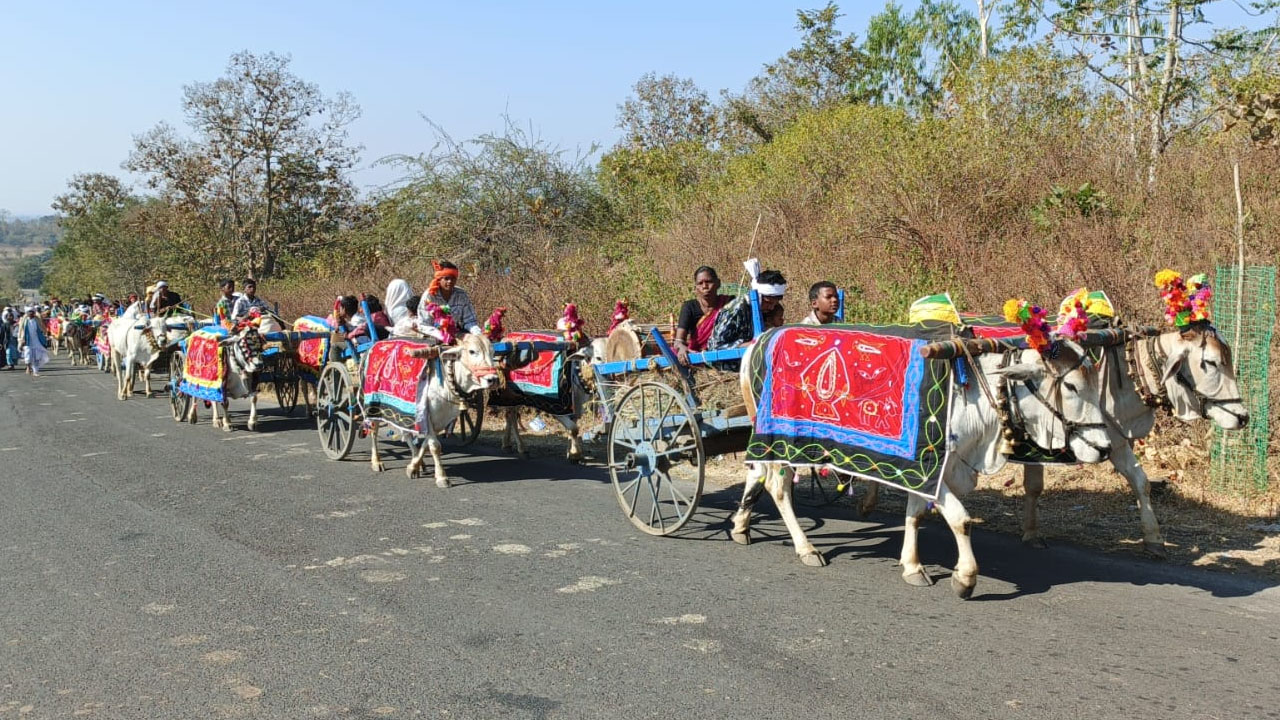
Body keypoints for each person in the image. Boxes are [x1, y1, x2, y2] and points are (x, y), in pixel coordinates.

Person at [672, 266, 732, 365]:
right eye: (700, 283)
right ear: (696, 288)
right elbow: (678, 341)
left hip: (726, 353)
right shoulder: (689, 307)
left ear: (718, 283)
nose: (704, 286)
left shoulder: (729, 303)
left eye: (709, 282)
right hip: (697, 356)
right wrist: (682, 348)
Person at [418, 260, 481, 336]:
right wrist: (441, 336)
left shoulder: (461, 295)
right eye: (446, 278)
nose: (450, 281)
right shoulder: (429, 295)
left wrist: (478, 334)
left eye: (453, 278)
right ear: (439, 279)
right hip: (433, 335)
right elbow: (424, 325)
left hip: (455, 333)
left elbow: (470, 321)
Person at [17, 306, 49, 376]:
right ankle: (28, 367)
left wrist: (45, 335)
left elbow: (42, 328)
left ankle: (35, 371)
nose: (31, 313)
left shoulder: (37, 320)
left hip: (36, 340)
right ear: (27, 313)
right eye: (29, 312)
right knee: (28, 354)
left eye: (32, 312)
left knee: (36, 356)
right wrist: (21, 340)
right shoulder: (24, 320)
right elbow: (20, 331)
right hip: (27, 340)